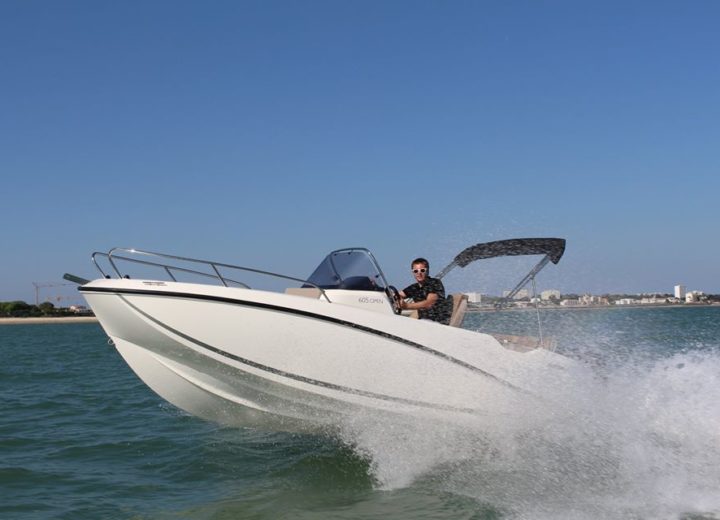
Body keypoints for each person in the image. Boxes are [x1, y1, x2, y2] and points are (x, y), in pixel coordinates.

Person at [398, 257, 449, 322]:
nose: (419, 273)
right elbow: (398, 295)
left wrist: (407, 306)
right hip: (423, 322)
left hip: (437, 323)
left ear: (427, 271)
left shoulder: (435, 283)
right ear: (413, 272)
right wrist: (397, 300)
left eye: (422, 270)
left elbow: (429, 303)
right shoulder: (414, 287)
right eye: (416, 271)